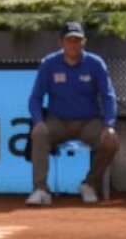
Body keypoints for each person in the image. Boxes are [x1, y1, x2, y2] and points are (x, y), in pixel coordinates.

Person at [25, 22, 120, 205]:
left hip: (89, 122)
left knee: (111, 142)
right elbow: (35, 97)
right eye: (69, 40)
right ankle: (40, 189)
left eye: (77, 40)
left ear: (84, 42)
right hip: (57, 121)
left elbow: (108, 96)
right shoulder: (49, 63)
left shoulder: (95, 63)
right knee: (39, 134)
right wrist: (38, 121)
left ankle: (89, 184)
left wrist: (109, 125)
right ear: (61, 42)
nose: (73, 44)